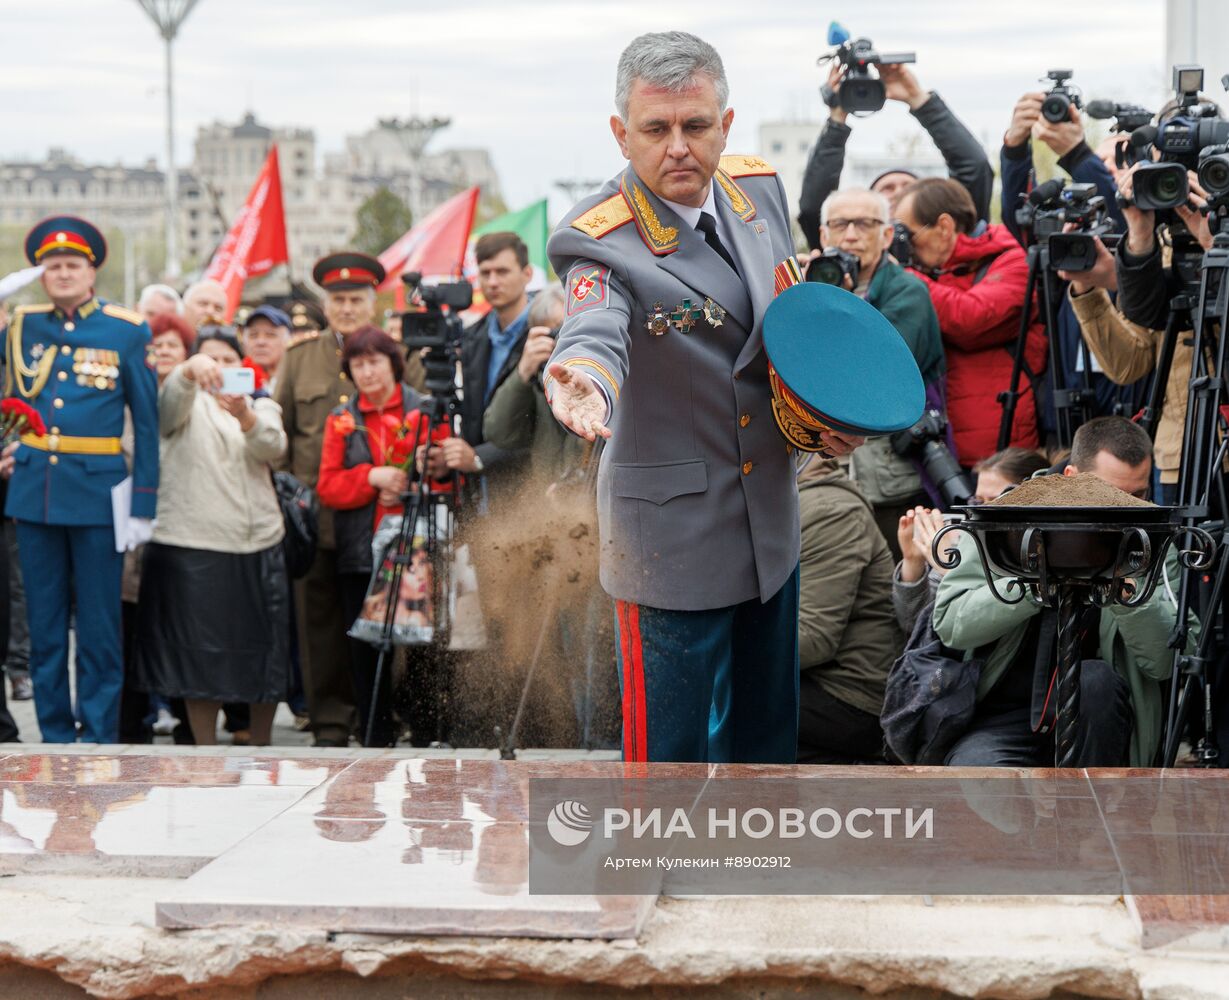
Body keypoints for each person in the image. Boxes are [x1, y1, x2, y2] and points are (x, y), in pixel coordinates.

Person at [544, 31, 861, 764]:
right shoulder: (598, 240)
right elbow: (595, 328)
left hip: (770, 525)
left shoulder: (758, 190)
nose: (678, 147)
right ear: (622, 134)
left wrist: (823, 420)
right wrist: (585, 380)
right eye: (655, 130)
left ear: (725, 121)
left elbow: (780, 331)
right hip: (670, 540)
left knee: (764, 745)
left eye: (695, 125)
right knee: (667, 759)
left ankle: (751, 872)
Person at [933, 417, 1185, 767]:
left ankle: (1091, 818)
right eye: (1111, 494)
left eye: (1138, 495)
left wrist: (1126, 598)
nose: (1127, 509)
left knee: (1095, 680)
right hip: (1004, 715)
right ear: (1071, 477)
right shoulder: (1009, 517)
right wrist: (1031, 587)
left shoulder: (1151, 537)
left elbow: (1167, 662)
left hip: (1101, 721)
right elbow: (951, 623)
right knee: (980, 786)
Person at [3, 215, 158, 743]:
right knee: (44, 629)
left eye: (73, 264)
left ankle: (96, 735)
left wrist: (143, 503)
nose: (63, 273)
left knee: (98, 628)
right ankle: (54, 735)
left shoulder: (127, 329)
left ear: (91, 272)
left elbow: (148, 423)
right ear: (40, 274)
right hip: (34, 495)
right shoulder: (21, 325)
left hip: (98, 495)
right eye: (53, 265)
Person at [134, 327, 289, 745]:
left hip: (258, 542)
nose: (218, 367)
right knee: (197, 659)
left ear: (243, 366)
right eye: (210, 359)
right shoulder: (183, 399)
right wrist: (188, 371)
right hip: (193, 544)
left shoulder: (261, 404)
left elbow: (273, 447)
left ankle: (262, 743)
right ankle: (204, 749)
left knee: (264, 654)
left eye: (228, 359)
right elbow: (166, 414)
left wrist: (245, 416)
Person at [316, 326, 450, 747]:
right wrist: (371, 477)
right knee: (366, 648)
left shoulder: (425, 410)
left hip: (416, 549)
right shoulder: (341, 419)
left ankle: (427, 732)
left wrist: (416, 480)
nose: (367, 372)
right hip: (360, 548)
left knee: (424, 646)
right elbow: (328, 486)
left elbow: (446, 480)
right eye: (358, 364)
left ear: (393, 364)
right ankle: (375, 735)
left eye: (375, 361)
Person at [274, 252, 386, 746]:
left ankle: (379, 715)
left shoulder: (396, 354)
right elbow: (281, 433)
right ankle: (331, 723)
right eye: (338, 300)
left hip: (381, 518)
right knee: (319, 624)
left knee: (381, 619)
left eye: (355, 299)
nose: (346, 308)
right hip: (317, 518)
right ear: (326, 304)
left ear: (372, 302)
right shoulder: (300, 359)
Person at [998, 91, 1143, 442]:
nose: (1106, 167)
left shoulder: (1150, 240)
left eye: (1120, 160)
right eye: (1099, 159)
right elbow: (1021, 218)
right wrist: (1015, 148)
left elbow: (1125, 227)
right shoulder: (1071, 230)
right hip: (1066, 409)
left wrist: (1079, 155)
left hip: (1132, 406)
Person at [811, 187, 944, 555]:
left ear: (887, 235)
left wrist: (841, 305)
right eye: (840, 224)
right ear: (823, 235)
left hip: (892, 480)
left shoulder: (908, 292)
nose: (850, 234)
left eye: (864, 224)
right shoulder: (807, 287)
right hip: (829, 476)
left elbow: (874, 375)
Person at [895, 177, 1047, 467]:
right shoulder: (930, 273)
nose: (906, 247)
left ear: (944, 226)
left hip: (999, 451)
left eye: (909, 235)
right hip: (940, 445)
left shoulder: (1011, 261)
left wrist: (905, 280)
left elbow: (971, 318)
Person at [797, 62, 993, 250]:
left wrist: (918, 99)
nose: (899, 192)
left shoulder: (944, 241)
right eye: (887, 188)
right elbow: (813, 208)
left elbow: (975, 169)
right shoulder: (847, 244)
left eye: (908, 187)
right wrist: (837, 118)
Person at [796, 458, 901, 764]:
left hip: (850, 694)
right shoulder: (797, 501)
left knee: (706, 703)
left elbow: (813, 640)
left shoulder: (829, 510)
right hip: (820, 679)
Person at [893, 447, 1049, 635]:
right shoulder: (966, 540)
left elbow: (971, 626)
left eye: (996, 501)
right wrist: (913, 562)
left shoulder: (1037, 553)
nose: (983, 510)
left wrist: (951, 569)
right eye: (978, 501)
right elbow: (913, 626)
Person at [440, 232, 535, 506]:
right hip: (479, 494)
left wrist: (481, 457)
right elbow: (474, 418)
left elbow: (542, 431)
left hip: (528, 494)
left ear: (526, 273)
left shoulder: (547, 333)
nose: (493, 282)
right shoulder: (472, 337)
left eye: (502, 271)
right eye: (485, 273)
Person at [483, 285, 588, 483]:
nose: (560, 339)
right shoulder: (540, 383)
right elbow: (499, 434)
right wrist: (523, 371)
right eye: (552, 332)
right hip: (547, 505)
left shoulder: (603, 380)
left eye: (565, 328)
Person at [239, 304, 290, 390]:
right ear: (244, 342)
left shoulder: (297, 381)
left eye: (270, 335)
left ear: (287, 341)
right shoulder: (233, 381)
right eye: (253, 335)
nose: (260, 342)